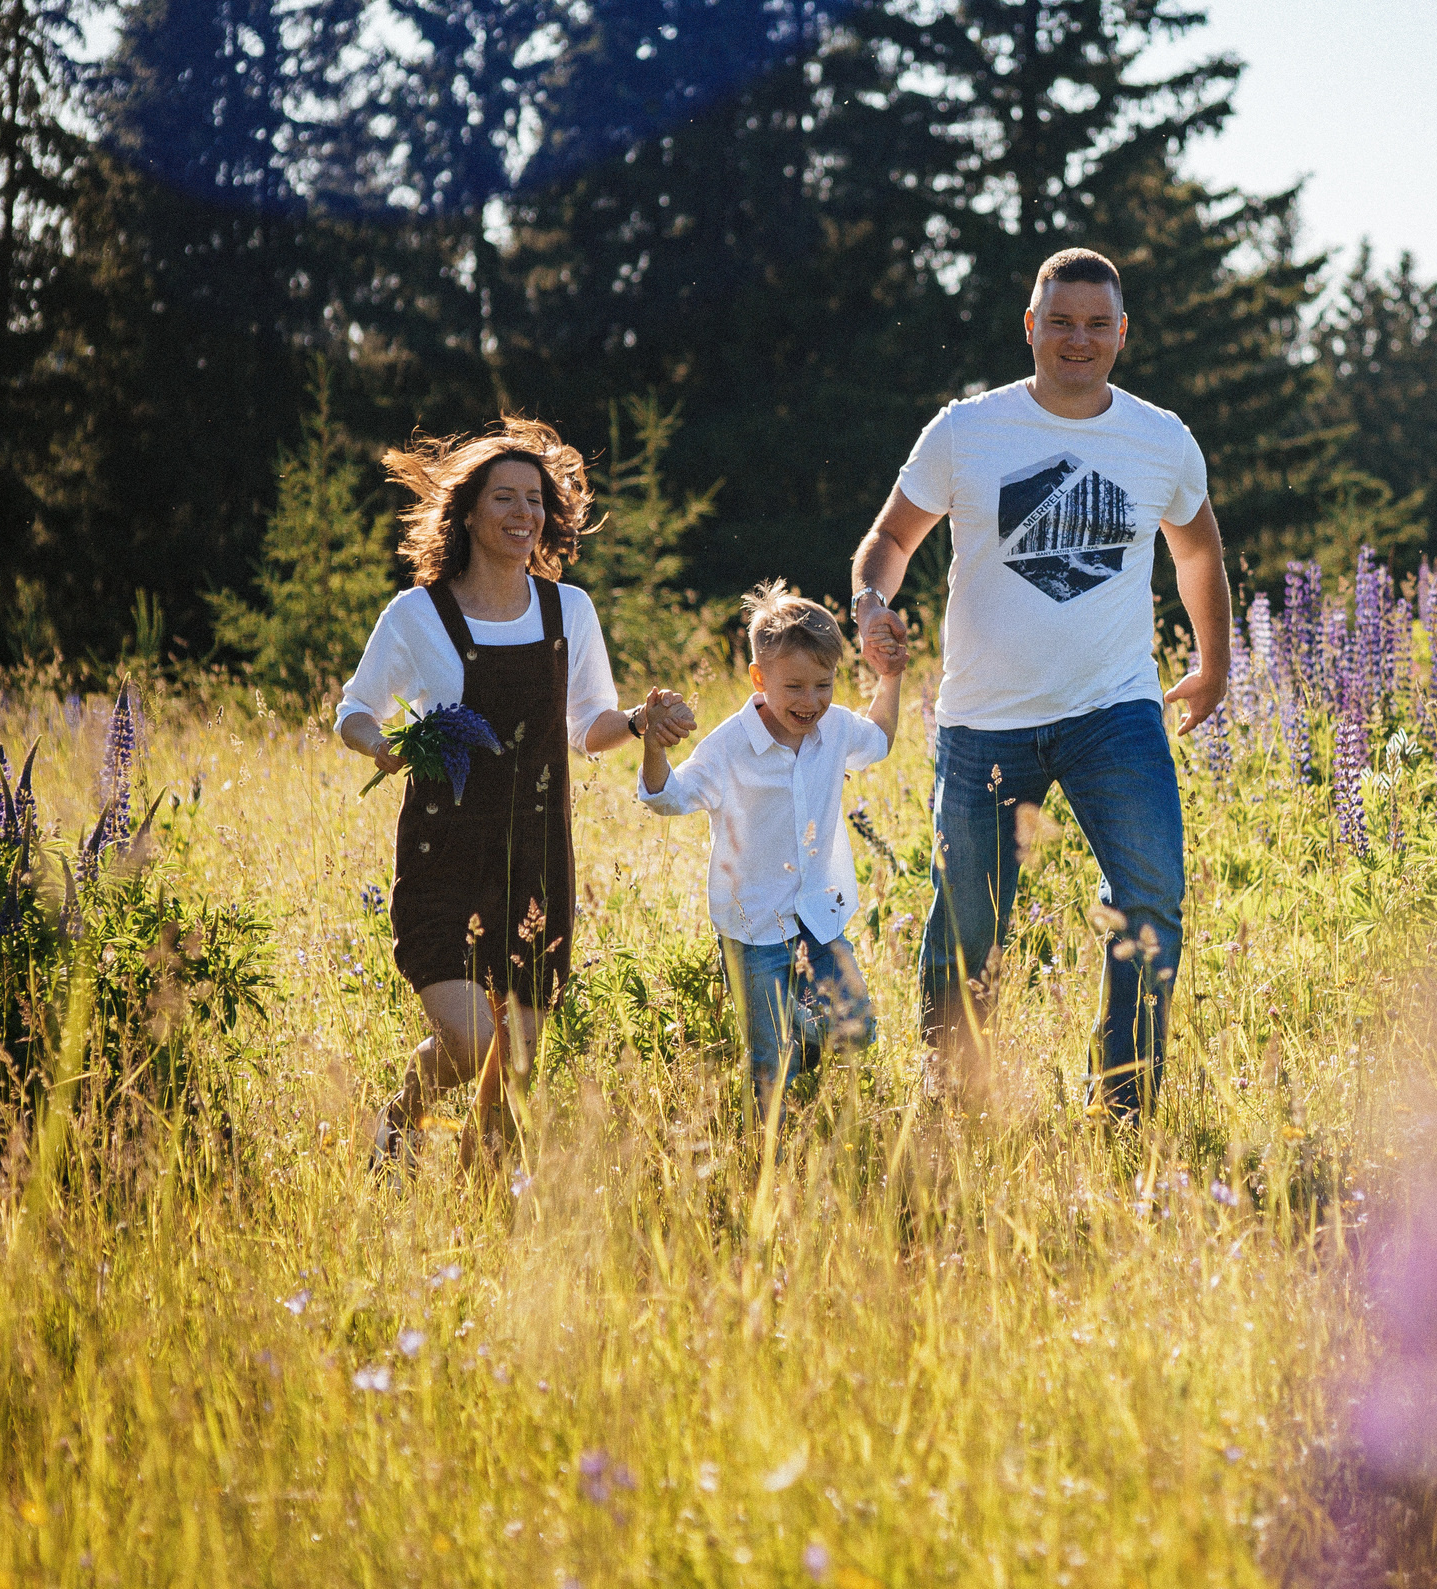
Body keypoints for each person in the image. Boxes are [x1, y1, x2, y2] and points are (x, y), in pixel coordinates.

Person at [849, 247, 1230, 1118]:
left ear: (1123, 334)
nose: (1078, 339)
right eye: (1060, 321)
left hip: (1114, 711)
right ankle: (953, 1105)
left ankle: (1124, 1107)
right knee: (967, 928)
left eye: (1097, 324)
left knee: (1150, 900)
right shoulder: (966, 430)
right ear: (1031, 326)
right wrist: (872, 602)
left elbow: (1198, 546)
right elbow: (890, 541)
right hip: (985, 721)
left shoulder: (1159, 438)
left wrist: (1216, 663)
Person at [339, 418, 691, 1171]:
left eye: (535, 500)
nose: (523, 514)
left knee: (517, 1070)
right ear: (468, 511)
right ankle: (399, 1116)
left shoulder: (571, 611)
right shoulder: (417, 615)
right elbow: (353, 710)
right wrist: (385, 746)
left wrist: (636, 721)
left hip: (536, 859)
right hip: (443, 857)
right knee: (470, 1043)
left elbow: (587, 726)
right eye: (505, 497)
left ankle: (481, 1206)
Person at [636, 583, 909, 1125]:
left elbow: (878, 736)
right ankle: (767, 1153)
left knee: (857, 1026)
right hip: (754, 927)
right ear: (760, 679)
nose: (811, 702)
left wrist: (892, 677)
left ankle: (806, 1039)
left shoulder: (833, 728)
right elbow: (667, 797)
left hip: (819, 918)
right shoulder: (728, 746)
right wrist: (653, 743)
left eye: (824, 685)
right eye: (795, 687)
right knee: (768, 1062)